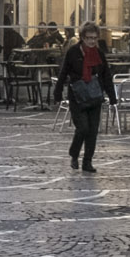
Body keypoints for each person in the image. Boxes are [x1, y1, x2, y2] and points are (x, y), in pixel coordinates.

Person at [51, 23, 118, 173]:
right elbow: (63, 72)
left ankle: (87, 161)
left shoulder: (99, 54)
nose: (92, 41)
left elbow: (106, 75)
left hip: (94, 95)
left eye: (94, 38)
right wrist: (58, 92)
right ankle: (74, 153)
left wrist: (112, 96)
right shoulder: (73, 52)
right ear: (82, 38)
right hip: (78, 96)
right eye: (88, 38)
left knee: (93, 131)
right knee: (82, 128)